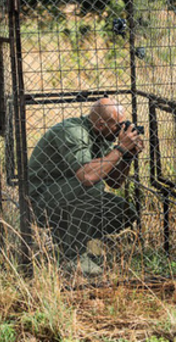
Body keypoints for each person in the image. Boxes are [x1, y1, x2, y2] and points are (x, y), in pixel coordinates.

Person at [28, 97, 144, 275]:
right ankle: (73, 256)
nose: (122, 129)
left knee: (123, 211)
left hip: (66, 195)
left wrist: (127, 156)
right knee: (93, 187)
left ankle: (65, 237)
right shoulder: (74, 131)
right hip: (40, 199)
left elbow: (114, 182)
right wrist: (120, 148)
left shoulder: (102, 135)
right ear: (99, 124)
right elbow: (88, 177)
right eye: (118, 125)